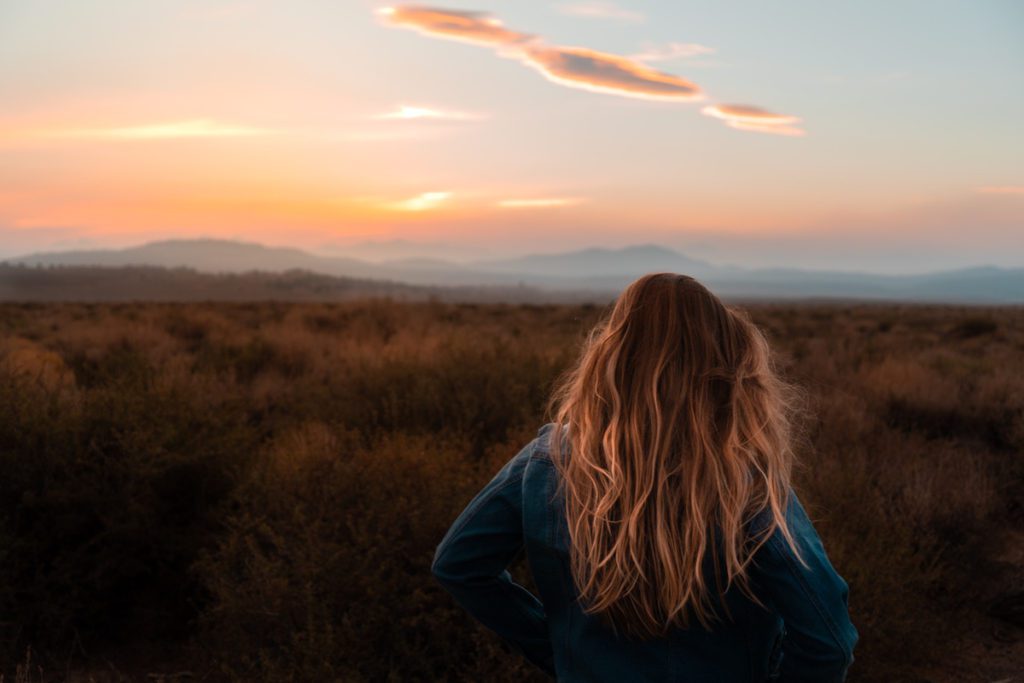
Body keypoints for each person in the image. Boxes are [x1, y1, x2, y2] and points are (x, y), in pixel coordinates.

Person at [431, 273, 858, 682]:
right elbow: (828, 640)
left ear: (612, 356)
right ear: (724, 364)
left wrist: (562, 650)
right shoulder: (743, 480)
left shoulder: (547, 461)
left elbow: (459, 566)